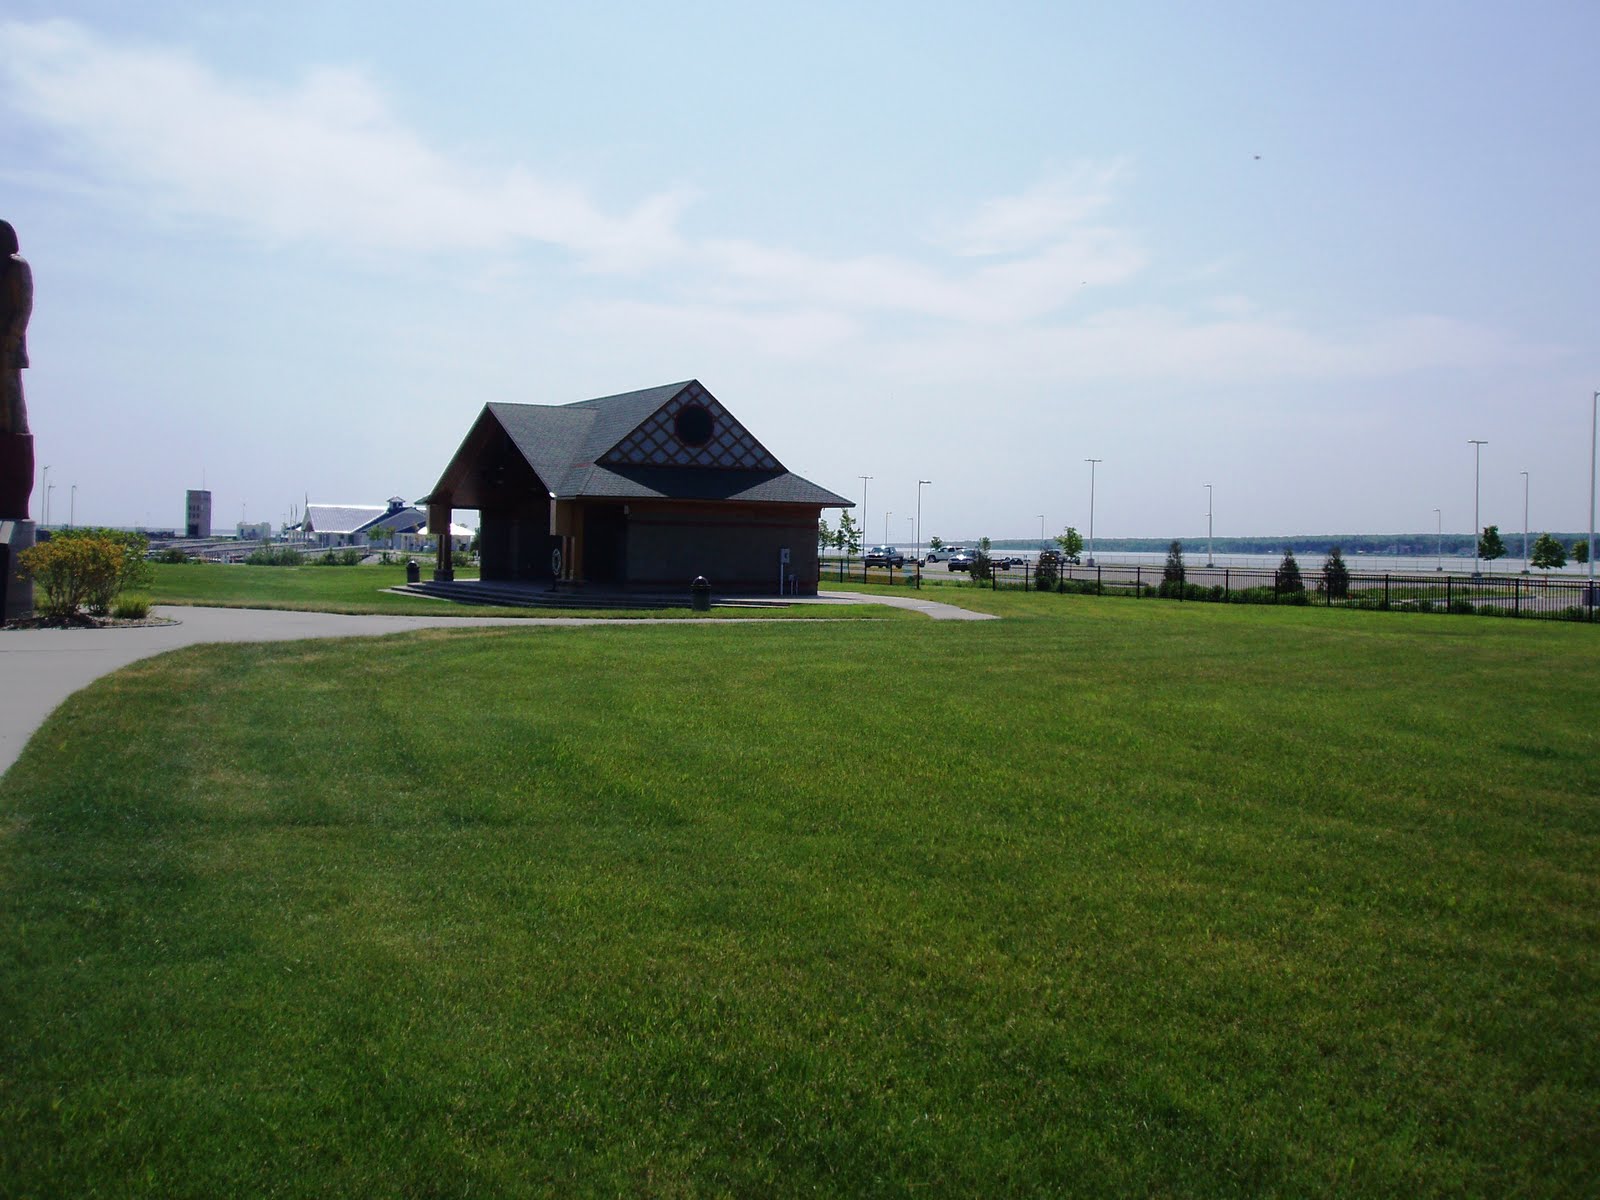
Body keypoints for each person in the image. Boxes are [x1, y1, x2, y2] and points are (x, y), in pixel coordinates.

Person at [0, 219, 31, 437]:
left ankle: (12, 431)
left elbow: (24, 306)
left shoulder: (17, 267)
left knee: (10, 391)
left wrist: (13, 336)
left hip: (8, 343)